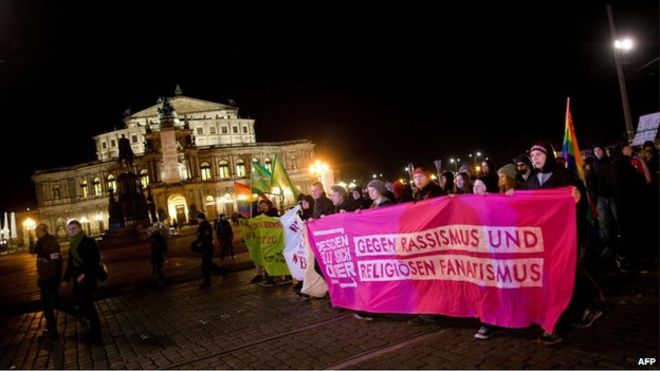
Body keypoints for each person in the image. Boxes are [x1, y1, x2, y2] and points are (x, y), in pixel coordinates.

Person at [61, 220, 102, 342]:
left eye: (73, 228)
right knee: (83, 303)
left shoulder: (88, 241)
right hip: (77, 278)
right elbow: (70, 263)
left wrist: (84, 274)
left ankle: (95, 329)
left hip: (87, 278)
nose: (71, 231)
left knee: (87, 303)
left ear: (79, 228)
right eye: (69, 229)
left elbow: (94, 260)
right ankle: (90, 326)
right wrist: (66, 279)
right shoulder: (72, 243)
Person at [30, 223, 62, 338]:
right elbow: (32, 251)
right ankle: (51, 329)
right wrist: (31, 239)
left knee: (53, 304)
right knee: (48, 304)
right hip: (44, 277)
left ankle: (79, 314)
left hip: (50, 277)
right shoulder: (40, 242)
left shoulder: (50, 241)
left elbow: (55, 259)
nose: (35, 233)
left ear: (43, 231)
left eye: (36, 232)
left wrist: (53, 276)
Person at [195, 212, 228, 288]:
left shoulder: (205, 225)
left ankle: (207, 282)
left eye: (198, 218)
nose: (197, 220)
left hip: (207, 247)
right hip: (206, 247)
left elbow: (206, 237)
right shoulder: (202, 225)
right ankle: (223, 272)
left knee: (204, 266)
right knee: (209, 264)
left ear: (201, 218)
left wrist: (200, 244)